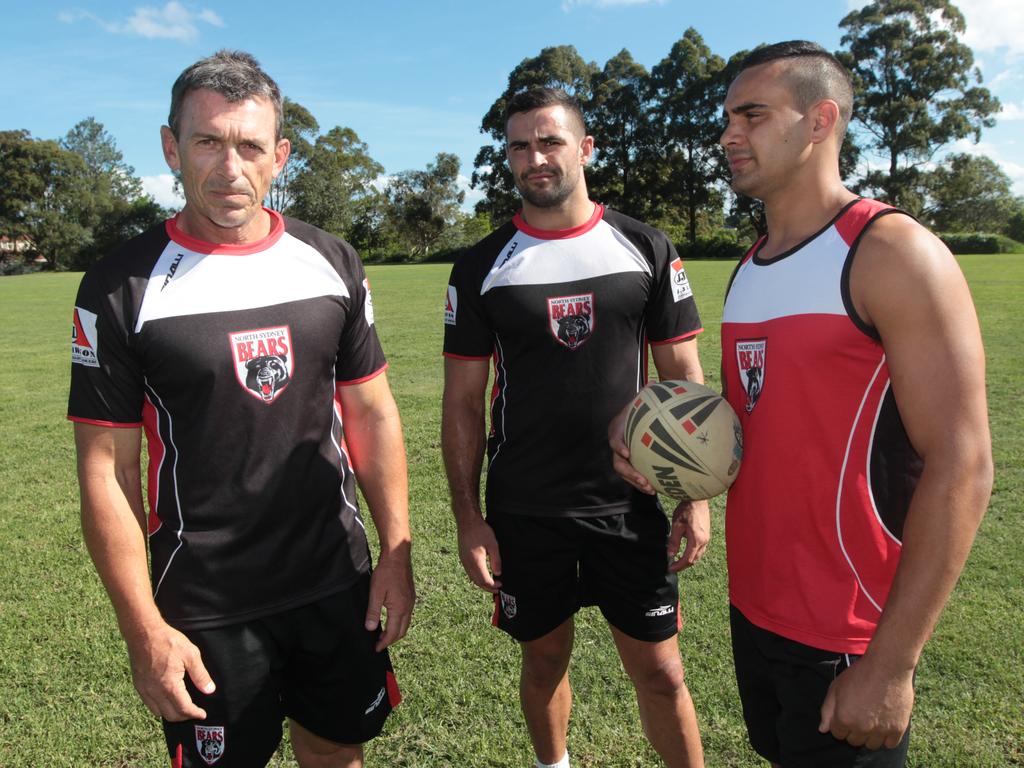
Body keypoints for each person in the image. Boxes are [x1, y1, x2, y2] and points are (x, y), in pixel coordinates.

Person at [68, 50, 414, 768]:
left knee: (337, 753)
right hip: (204, 604)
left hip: (333, 578)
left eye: (251, 145)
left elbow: (373, 415)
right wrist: (143, 629)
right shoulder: (120, 288)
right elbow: (106, 471)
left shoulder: (333, 264)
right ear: (171, 146)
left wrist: (397, 551)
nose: (231, 167)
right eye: (207, 142)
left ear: (280, 155)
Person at [714, 40, 991, 767]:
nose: (728, 135)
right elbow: (759, 423)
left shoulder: (889, 252)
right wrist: (666, 445)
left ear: (819, 120)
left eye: (752, 115)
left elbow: (963, 465)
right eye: (727, 118)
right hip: (756, 608)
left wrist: (893, 663)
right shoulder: (750, 265)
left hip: (848, 629)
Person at [442, 86, 708, 768]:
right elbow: (463, 405)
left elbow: (683, 382)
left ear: (585, 148)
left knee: (662, 673)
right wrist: (470, 519)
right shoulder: (480, 267)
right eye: (520, 145)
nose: (535, 157)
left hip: (630, 504)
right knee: (543, 661)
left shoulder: (645, 248)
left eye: (551, 141)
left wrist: (695, 495)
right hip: (527, 508)